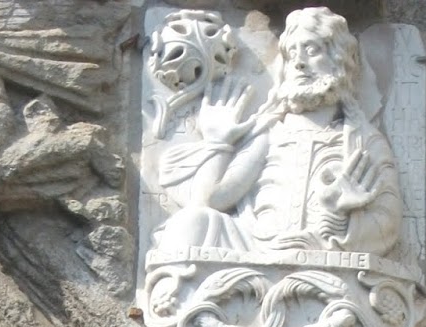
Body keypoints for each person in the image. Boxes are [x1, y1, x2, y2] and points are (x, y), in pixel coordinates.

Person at [155, 7, 402, 257]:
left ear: (340, 61)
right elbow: (210, 201)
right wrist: (219, 143)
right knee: (189, 223)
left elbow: (388, 223)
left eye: (312, 50)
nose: (299, 62)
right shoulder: (271, 131)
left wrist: (338, 220)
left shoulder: (362, 141)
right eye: (292, 53)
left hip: (323, 255)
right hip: (256, 246)